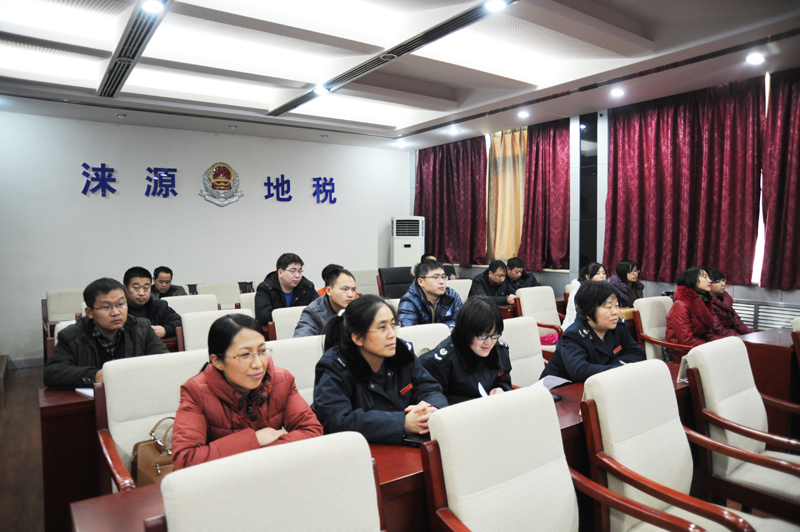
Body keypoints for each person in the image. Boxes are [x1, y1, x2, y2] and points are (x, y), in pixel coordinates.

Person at [171, 314, 323, 469]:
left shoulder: (282, 381)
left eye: (262, 351)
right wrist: (254, 440)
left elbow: (312, 431)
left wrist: (256, 454)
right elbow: (185, 460)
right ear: (217, 361)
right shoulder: (196, 392)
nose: (258, 364)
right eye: (245, 355)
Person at [312, 295, 448, 444]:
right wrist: (402, 423)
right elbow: (337, 421)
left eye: (393, 325)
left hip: (405, 445)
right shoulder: (334, 367)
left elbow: (430, 388)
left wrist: (431, 410)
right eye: (382, 328)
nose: (392, 334)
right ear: (358, 338)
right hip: (359, 450)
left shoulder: (402, 353)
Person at [43, 278, 168, 388]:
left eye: (121, 304)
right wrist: (94, 376)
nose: (116, 312)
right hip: (94, 402)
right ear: (89, 312)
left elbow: (165, 361)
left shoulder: (142, 327)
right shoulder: (71, 336)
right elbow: (52, 373)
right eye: (106, 307)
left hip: (134, 394)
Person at [540, 281, 645, 383]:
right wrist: (619, 368)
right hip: (558, 388)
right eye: (609, 307)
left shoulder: (618, 327)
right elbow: (580, 370)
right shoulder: (573, 335)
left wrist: (614, 366)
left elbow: (638, 353)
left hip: (599, 384)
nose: (616, 312)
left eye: (617, 306)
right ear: (588, 313)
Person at [420, 296, 512, 404]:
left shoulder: (500, 351)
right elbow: (434, 400)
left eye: (494, 335)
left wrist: (500, 388)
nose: (489, 342)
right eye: (483, 335)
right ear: (467, 332)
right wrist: (474, 404)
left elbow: (504, 380)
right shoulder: (441, 363)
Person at [666, 266, 721, 360]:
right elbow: (685, 340)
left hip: (699, 348)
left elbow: (708, 333)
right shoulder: (680, 305)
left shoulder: (703, 301)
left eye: (709, 277)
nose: (710, 281)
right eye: (704, 277)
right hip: (683, 351)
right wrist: (709, 348)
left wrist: (718, 345)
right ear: (692, 279)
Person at [255, 253, 318, 325]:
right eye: (293, 271)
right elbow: (264, 318)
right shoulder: (265, 289)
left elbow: (320, 310)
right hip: (276, 330)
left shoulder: (307, 287)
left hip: (303, 328)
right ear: (280, 272)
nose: (297, 276)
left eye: (300, 271)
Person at [294, 267, 357, 337]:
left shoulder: (358, 306)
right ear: (329, 291)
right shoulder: (313, 312)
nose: (351, 295)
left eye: (353, 290)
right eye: (345, 289)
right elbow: (302, 339)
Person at [397, 260, 462, 328]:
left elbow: (461, 323)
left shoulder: (452, 296)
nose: (441, 282)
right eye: (435, 277)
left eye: (443, 277)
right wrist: (441, 329)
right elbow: (408, 329)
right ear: (421, 282)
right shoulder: (409, 301)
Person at [123, 267, 182, 339]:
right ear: (125, 288)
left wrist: (165, 330)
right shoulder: (116, 308)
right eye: (136, 288)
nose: (142, 293)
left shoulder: (159, 305)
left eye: (146, 288)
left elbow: (179, 322)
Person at [708, 268, 753, 337]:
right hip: (721, 338)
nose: (723, 284)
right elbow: (718, 330)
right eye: (717, 281)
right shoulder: (707, 302)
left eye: (723, 280)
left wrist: (752, 334)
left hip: (732, 336)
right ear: (708, 284)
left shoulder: (725, 299)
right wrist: (740, 337)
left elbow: (737, 322)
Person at [562, 262, 607, 330]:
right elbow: (575, 317)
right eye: (598, 273)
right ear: (587, 277)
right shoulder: (578, 292)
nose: (602, 276)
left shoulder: (604, 291)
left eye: (603, 273)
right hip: (576, 328)